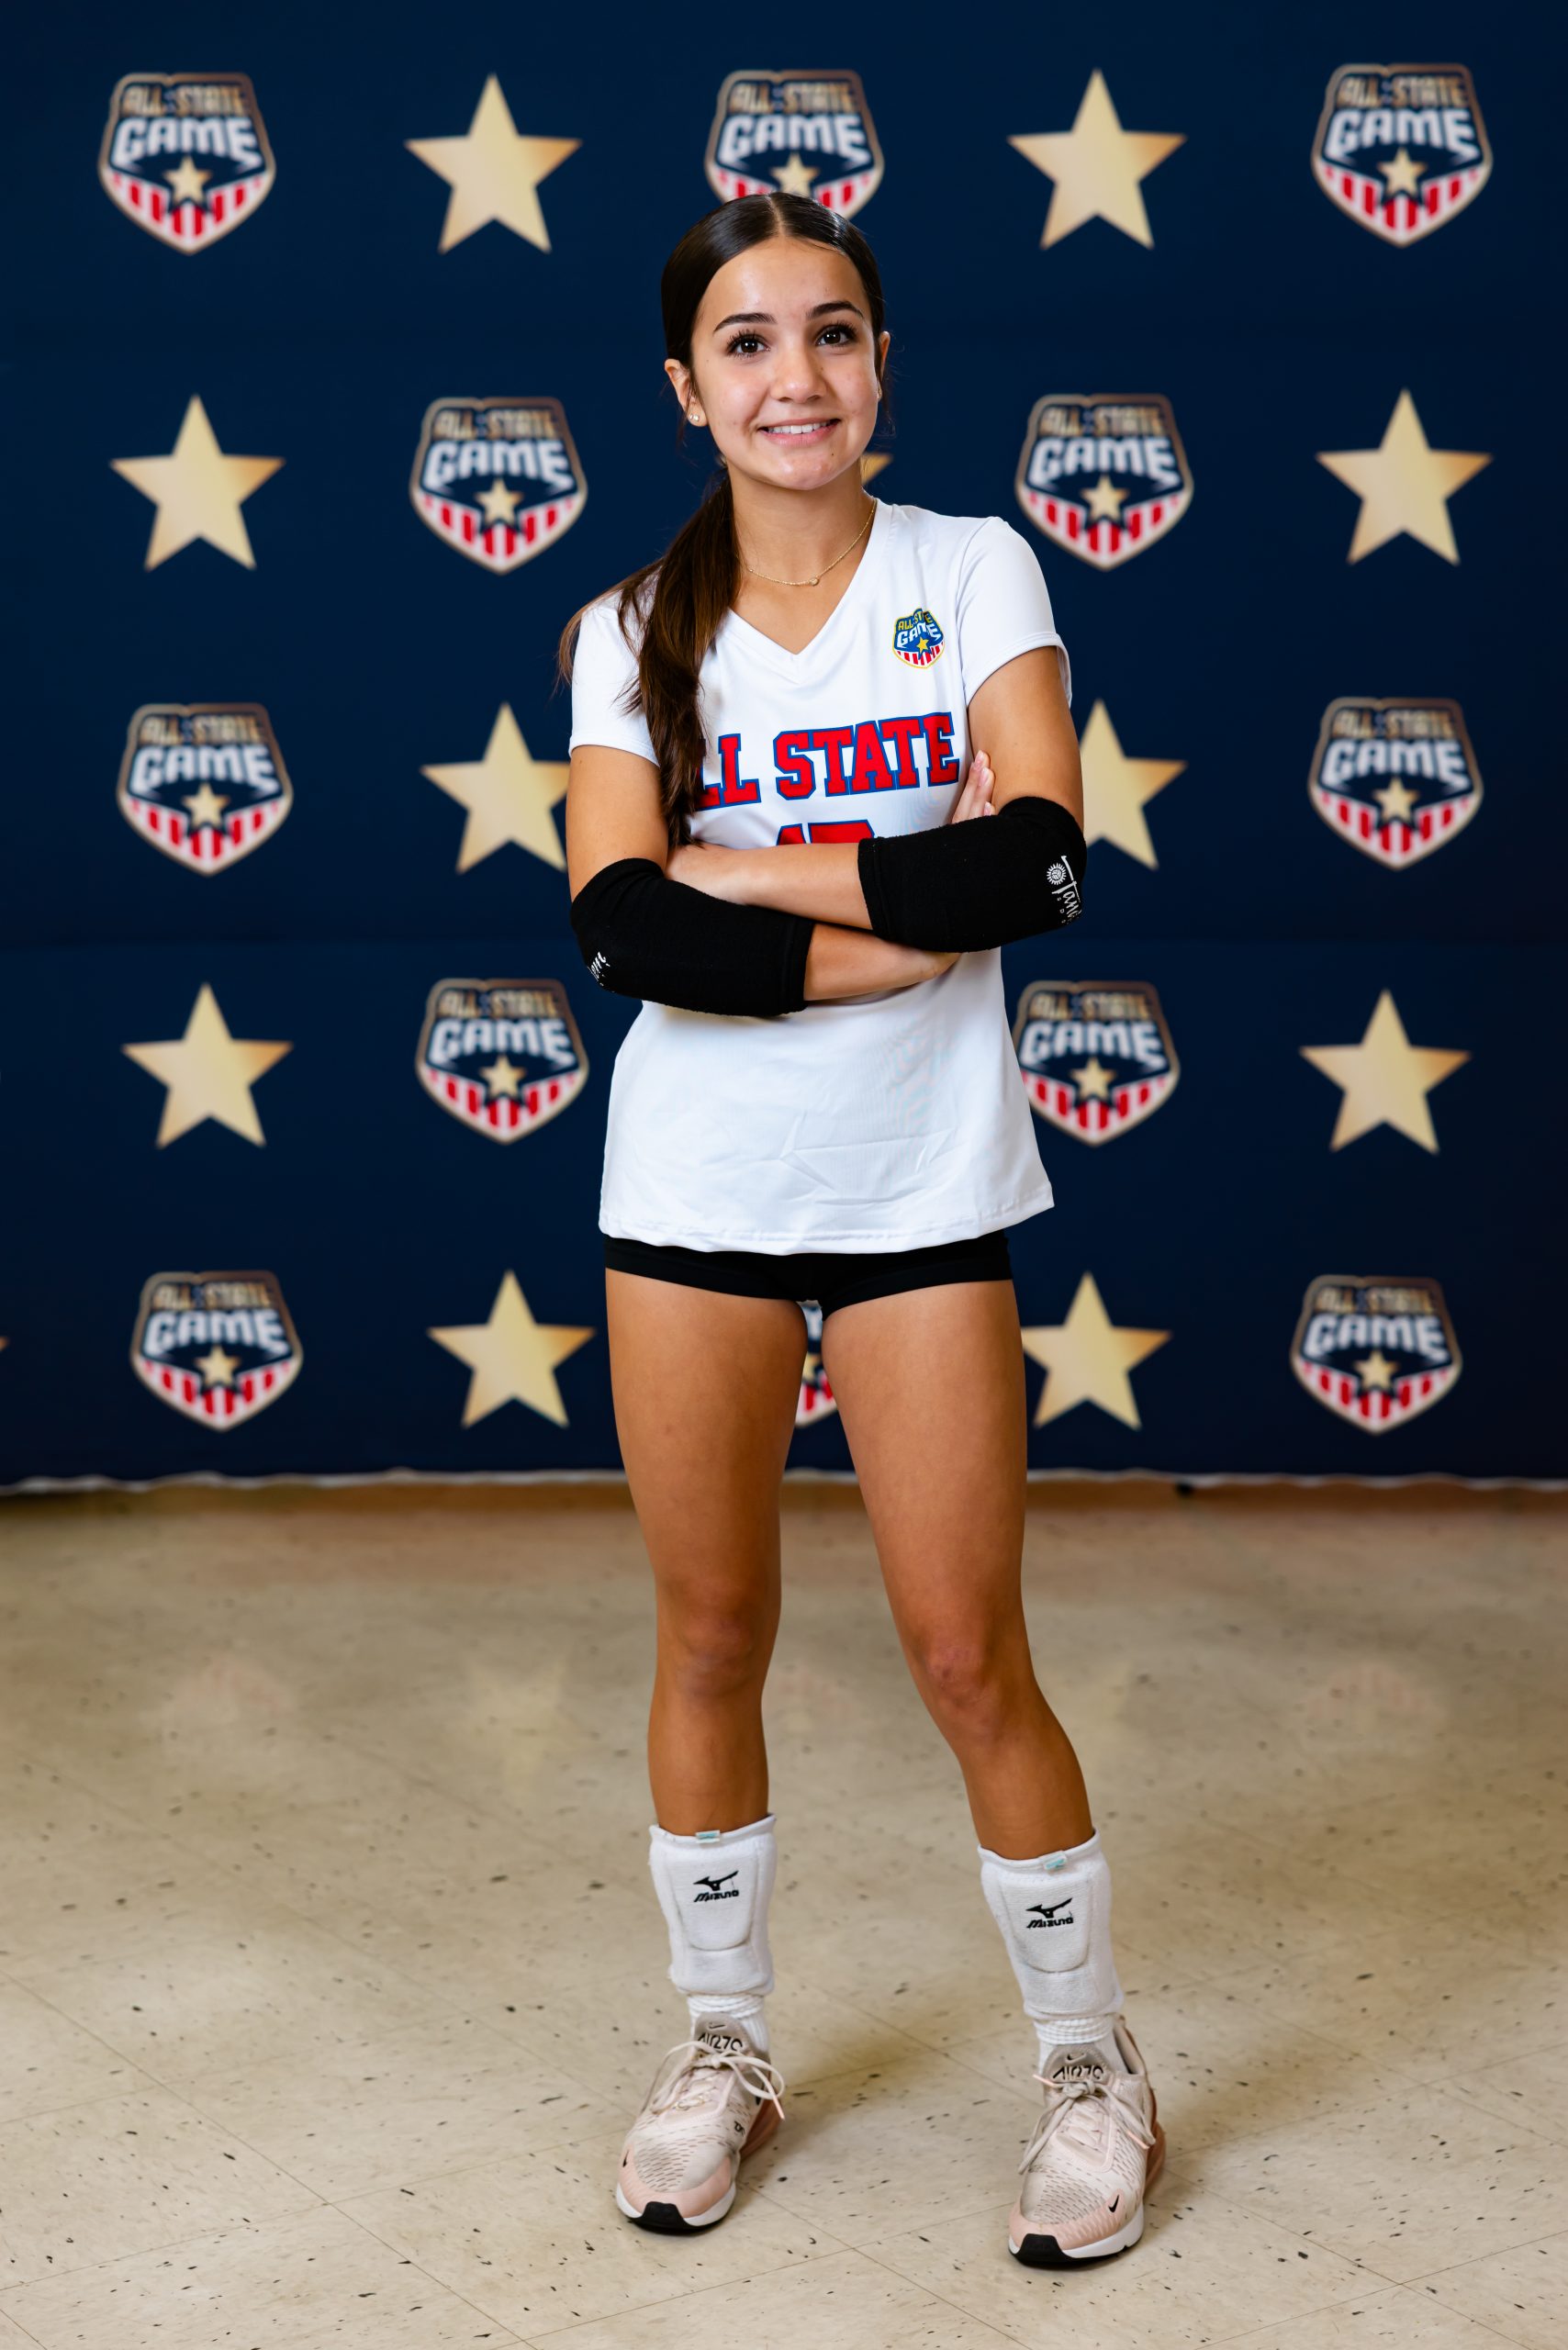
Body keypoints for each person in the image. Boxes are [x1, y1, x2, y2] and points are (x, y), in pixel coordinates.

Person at [557, 189, 1164, 2268]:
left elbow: (1037, 866)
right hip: (696, 1197)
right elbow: (622, 925)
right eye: (746, 341)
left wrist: (747, 871)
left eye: (830, 330)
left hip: (921, 1190)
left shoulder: (972, 568)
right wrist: (882, 924)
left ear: (882, 360)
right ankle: (722, 2042)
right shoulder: (628, 627)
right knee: (711, 1632)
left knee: (964, 1649)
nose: (793, 374)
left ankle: (1088, 2060)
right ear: (685, 388)